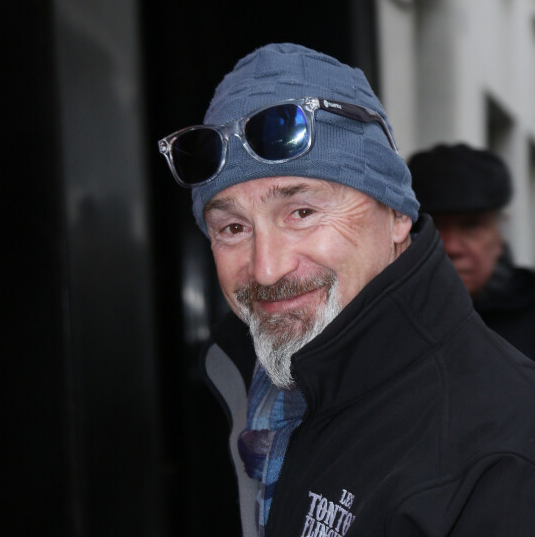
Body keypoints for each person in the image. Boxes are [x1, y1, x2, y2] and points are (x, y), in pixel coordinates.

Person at [158, 43, 535, 536]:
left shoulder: (508, 450)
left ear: (397, 214)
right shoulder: (251, 384)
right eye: (232, 228)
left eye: (302, 213)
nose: (267, 269)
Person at [408, 143, 535, 360]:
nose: (452, 246)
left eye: (471, 226)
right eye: (434, 226)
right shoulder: (380, 315)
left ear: (500, 232)